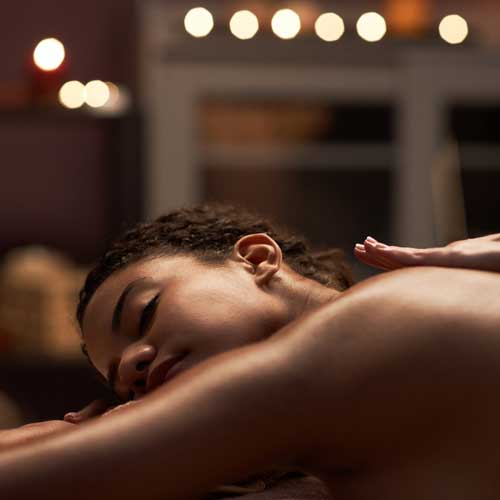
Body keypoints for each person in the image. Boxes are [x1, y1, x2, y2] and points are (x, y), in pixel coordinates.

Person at [1, 202, 500, 500]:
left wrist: (58, 432)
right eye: (124, 386)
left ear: (257, 259)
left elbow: (45, 480)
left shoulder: (359, 332)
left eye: (145, 312)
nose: (133, 367)